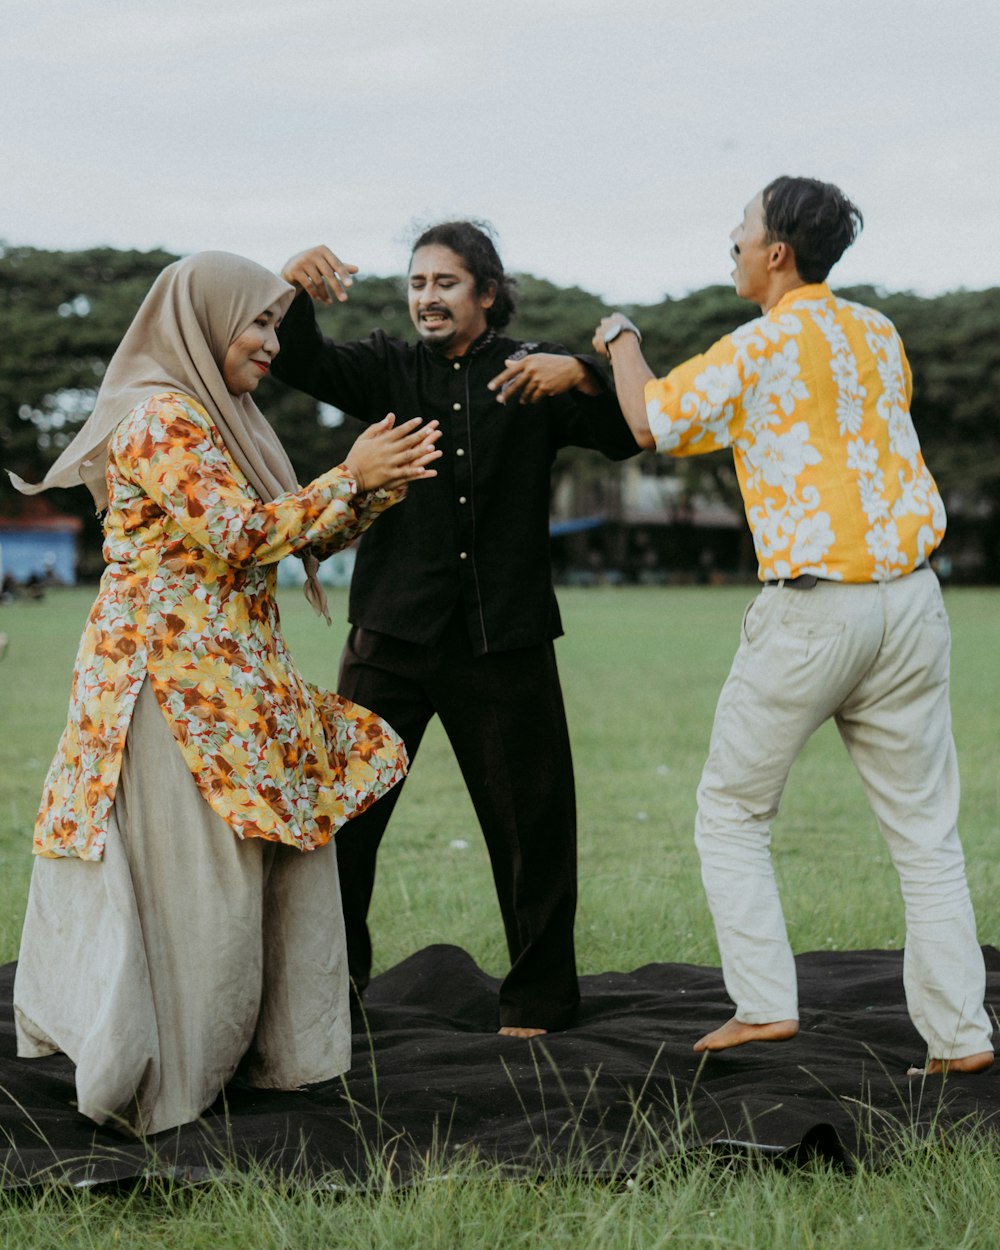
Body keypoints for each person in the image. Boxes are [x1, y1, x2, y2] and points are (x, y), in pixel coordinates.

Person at [9, 251, 442, 1135]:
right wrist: (348, 475)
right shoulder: (159, 417)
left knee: (252, 869)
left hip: (231, 679)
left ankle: (261, 1053)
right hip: (168, 688)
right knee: (197, 884)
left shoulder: (218, 418)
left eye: (277, 324)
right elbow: (241, 534)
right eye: (258, 323)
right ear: (203, 324)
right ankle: (169, 1075)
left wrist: (369, 492)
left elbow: (285, 536)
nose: (273, 344)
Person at [593, 177, 993, 1075]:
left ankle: (766, 1003)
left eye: (741, 232)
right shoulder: (881, 334)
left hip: (816, 609)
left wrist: (620, 338)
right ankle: (961, 1038)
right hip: (914, 603)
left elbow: (651, 419)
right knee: (927, 838)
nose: (731, 245)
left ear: (776, 252)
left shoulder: (759, 343)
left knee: (731, 810)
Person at [270, 221, 641, 1037]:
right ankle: (327, 992)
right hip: (390, 637)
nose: (427, 298)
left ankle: (539, 1001)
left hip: (503, 636)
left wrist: (581, 370)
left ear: (485, 292)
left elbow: (625, 434)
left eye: (444, 282)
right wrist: (291, 288)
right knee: (344, 821)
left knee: (532, 827)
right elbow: (301, 360)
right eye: (416, 284)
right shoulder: (387, 367)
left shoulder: (533, 372)